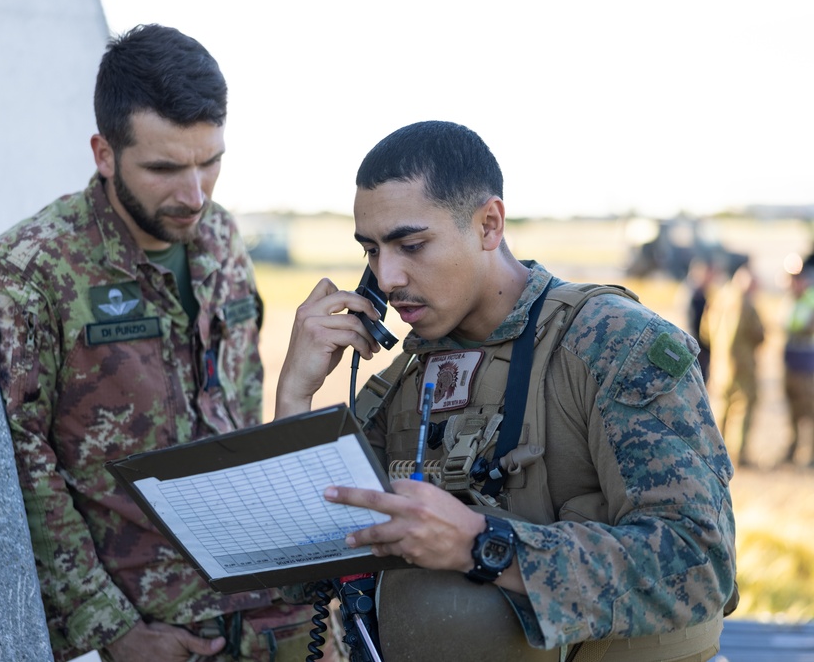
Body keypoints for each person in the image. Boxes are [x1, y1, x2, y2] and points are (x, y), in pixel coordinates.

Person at [275, 121, 736, 660]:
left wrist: (482, 545)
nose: (389, 276)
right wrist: (294, 399)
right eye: (372, 251)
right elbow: (302, 573)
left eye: (411, 244)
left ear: (489, 224)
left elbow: (701, 564)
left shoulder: (615, 344)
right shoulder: (405, 376)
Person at [0, 24, 324, 662]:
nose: (194, 195)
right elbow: (21, 469)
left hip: (258, 613)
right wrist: (111, 632)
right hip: (149, 626)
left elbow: (237, 415)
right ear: (104, 154)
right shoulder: (29, 270)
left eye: (210, 161)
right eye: (164, 168)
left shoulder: (221, 240)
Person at [700, 262, 765, 467]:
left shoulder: (718, 298)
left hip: (720, 365)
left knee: (721, 407)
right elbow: (759, 335)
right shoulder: (746, 304)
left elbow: (705, 332)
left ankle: (716, 452)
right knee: (743, 408)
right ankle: (738, 455)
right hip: (742, 366)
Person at [782, 257, 814, 467]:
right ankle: (793, 449)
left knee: (809, 411)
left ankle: (811, 455)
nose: (793, 283)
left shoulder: (810, 300)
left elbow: (805, 328)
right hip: (790, 363)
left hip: (807, 365)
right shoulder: (790, 301)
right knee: (792, 410)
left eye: (797, 278)